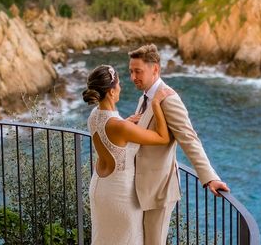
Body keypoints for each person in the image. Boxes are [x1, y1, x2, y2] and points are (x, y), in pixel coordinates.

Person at [127, 44, 230, 245]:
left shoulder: (169, 99)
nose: (133, 77)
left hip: (159, 190)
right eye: (131, 71)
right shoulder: (145, 97)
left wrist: (209, 178)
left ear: (155, 69)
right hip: (141, 188)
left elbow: (189, 139)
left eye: (138, 71)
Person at [83, 64, 174, 244]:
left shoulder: (94, 115)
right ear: (111, 91)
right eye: (118, 84)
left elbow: (109, 135)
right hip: (120, 196)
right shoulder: (120, 127)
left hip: (99, 190)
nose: (121, 88)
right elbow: (163, 138)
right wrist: (155, 103)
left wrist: (126, 123)